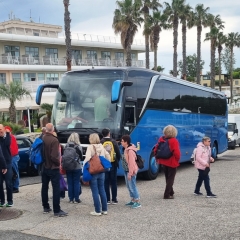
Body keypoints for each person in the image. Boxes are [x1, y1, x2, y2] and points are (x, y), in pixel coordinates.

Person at [41, 123, 67, 217]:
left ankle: (45, 207)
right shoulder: (54, 140)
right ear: (52, 130)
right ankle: (57, 210)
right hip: (53, 167)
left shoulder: (42, 138)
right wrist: (58, 163)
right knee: (56, 188)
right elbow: (54, 156)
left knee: (44, 187)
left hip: (44, 166)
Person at [83, 133, 111, 216]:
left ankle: (97, 210)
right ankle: (105, 209)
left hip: (93, 171)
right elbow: (108, 155)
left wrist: (84, 166)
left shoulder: (90, 147)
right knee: (102, 189)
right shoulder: (101, 146)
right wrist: (106, 164)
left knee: (95, 191)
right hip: (101, 170)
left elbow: (87, 158)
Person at [154, 125, 181, 199]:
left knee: (167, 177)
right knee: (171, 179)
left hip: (163, 161)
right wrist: (177, 159)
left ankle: (171, 192)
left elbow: (156, 149)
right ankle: (167, 194)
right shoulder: (174, 141)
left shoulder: (161, 139)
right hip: (171, 162)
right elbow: (177, 153)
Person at [100, 128, 121, 204]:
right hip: (113, 163)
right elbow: (118, 153)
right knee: (113, 182)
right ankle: (114, 199)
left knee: (106, 181)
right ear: (109, 133)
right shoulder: (113, 141)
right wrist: (117, 160)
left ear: (102, 134)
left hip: (104, 164)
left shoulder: (101, 142)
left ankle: (107, 199)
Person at [121, 135, 141, 209]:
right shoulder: (125, 149)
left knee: (132, 185)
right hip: (126, 170)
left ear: (126, 142)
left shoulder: (130, 151)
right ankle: (133, 199)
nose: (121, 142)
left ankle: (137, 201)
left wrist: (130, 173)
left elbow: (132, 163)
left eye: (122, 141)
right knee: (129, 186)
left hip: (130, 171)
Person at [65, 132, 83, 203]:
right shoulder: (79, 146)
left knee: (70, 182)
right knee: (76, 182)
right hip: (77, 166)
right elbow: (81, 157)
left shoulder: (66, 146)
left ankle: (70, 198)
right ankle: (76, 198)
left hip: (68, 166)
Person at [0, 124, 13, 207]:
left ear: (4, 129)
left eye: (0, 129)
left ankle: (10, 200)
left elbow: (8, 143)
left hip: (7, 162)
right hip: (0, 163)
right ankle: (2, 200)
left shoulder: (7, 137)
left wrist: (7, 134)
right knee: (0, 184)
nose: (0, 131)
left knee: (8, 183)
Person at [5, 126, 20, 193]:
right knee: (13, 172)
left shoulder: (10, 138)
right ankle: (14, 186)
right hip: (13, 156)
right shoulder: (11, 137)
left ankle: (15, 187)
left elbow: (12, 149)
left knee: (15, 172)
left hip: (13, 157)